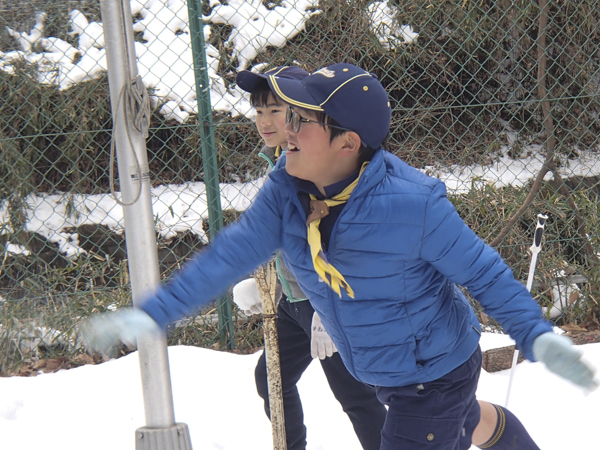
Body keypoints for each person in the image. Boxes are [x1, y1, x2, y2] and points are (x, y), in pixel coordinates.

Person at [83, 63, 597, 450]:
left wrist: (538, 337)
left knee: (446, 418)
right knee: (470, 422)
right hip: (383, 367)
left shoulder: (413, 203)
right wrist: (150, 313)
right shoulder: (285, 194)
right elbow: (226, 259)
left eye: (302, 121)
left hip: (433, 370)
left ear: (348, 142)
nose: (285, 130)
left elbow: (485, 274)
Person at [231, 65, 387, 450]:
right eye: (260, 111)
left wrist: (326, 305)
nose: (265, 121)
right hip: (294, 301)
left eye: (276, 111)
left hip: (325, 303)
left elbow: (341, 236)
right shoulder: (283, 161)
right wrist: (269, 281)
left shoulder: (315, 167)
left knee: (357, 397)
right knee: (271, 380)